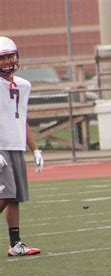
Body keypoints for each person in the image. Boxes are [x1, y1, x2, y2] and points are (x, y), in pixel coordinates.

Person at [0, 36, 44, 256]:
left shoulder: (24, 85)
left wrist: (35, 148)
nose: (8, 61)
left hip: (16, 145)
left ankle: (15, 244)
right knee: (5, 195)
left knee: (14, 197)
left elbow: (22, 119)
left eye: (10, 56)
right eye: (3, 57)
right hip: (1, 147)